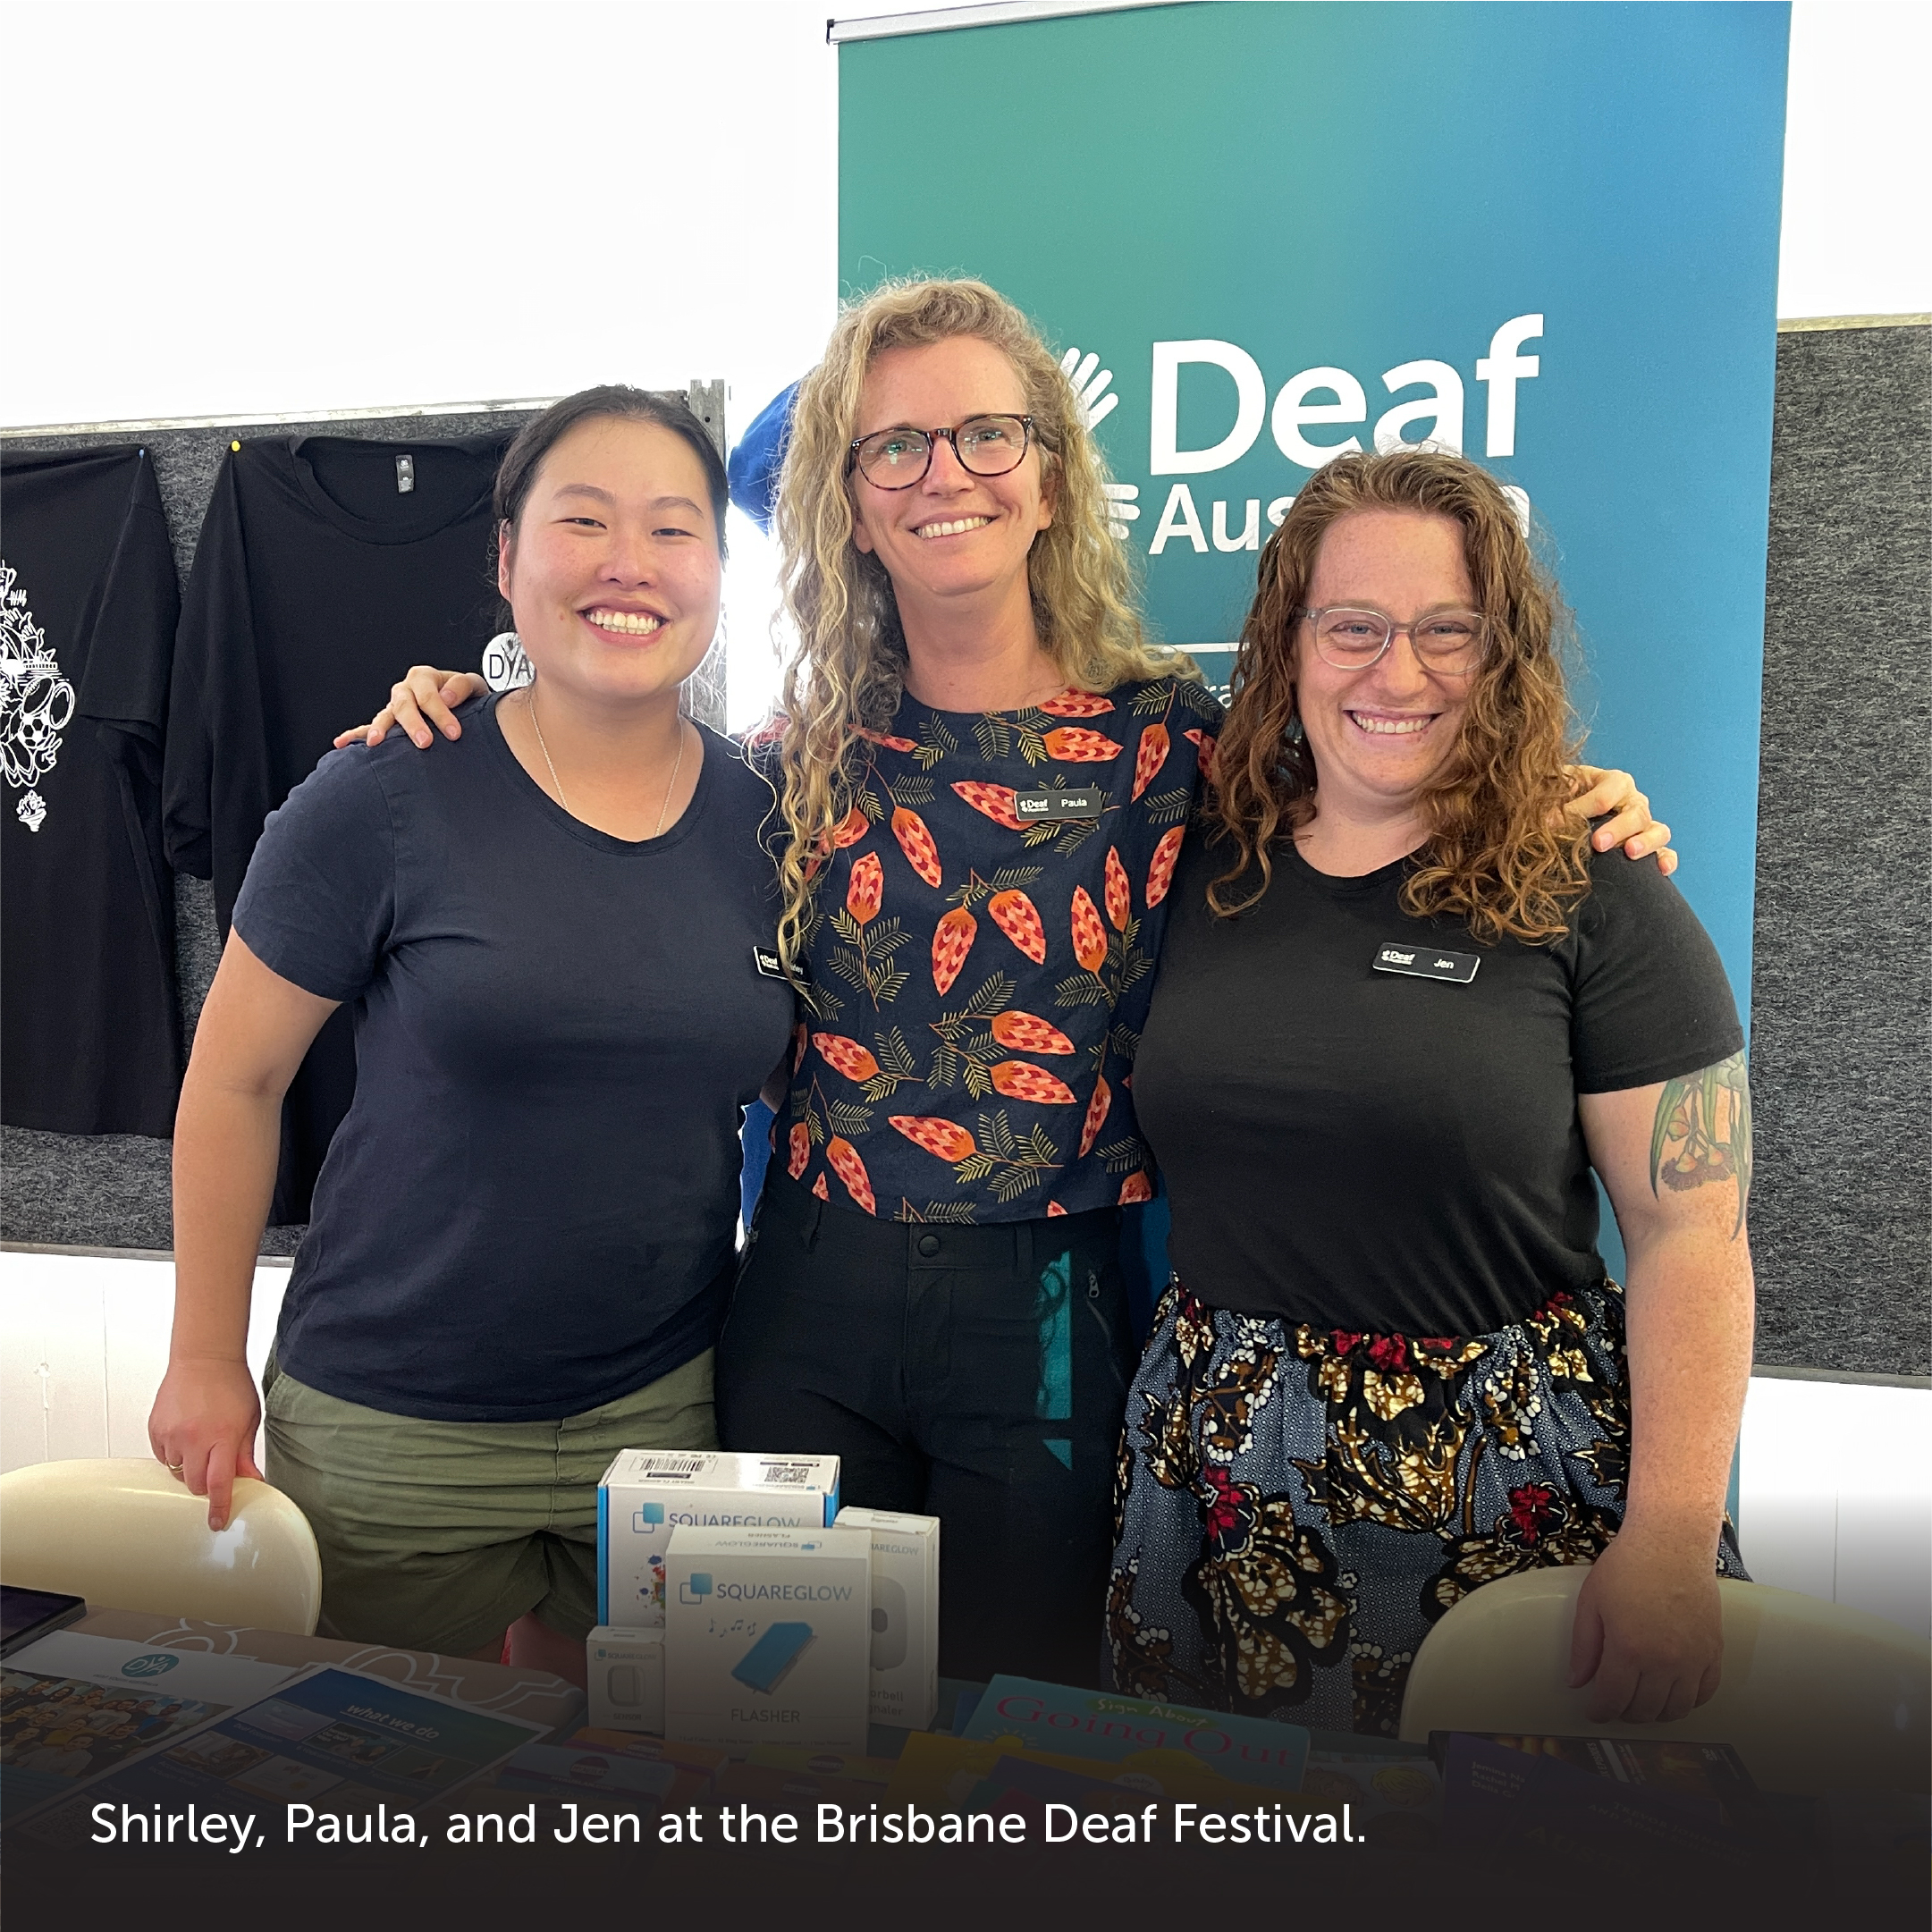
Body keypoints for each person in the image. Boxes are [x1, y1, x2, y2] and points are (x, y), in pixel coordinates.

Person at [348, 283, 1673, 1688]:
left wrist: (1572, 800)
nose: (944, 475)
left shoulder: (1181, 750)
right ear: (849, 504)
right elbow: (595, 776)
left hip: (1051, 1312)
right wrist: (460, 710)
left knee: (1010, 1738)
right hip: (804, 1305)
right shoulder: (785, 759)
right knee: (769, 1722)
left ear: (1049, 477)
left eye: (987, 434)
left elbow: (1388, 777)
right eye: (893, 446)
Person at [147, 387, 796, 1682]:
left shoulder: (767, 815)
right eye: (584, 520)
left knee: (642, 1789)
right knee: (390, 1799)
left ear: (717, 575)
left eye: (673, 529)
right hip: (397, 1424)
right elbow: (235, 1078)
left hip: (669, 1401)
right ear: (506, 561)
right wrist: (205, 1353)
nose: (628, 562)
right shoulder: (384, 793)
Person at [1109, 448, 1751, 1736]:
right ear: (1287, 640)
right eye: (1352, 627)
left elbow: (1693, 1230)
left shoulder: (1594, 884)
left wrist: (1670, 1540)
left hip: (1499, 1479)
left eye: (1444, 633)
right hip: (1214, 1470)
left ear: (1496, 653)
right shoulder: (1196, 861)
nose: (1395, 674)